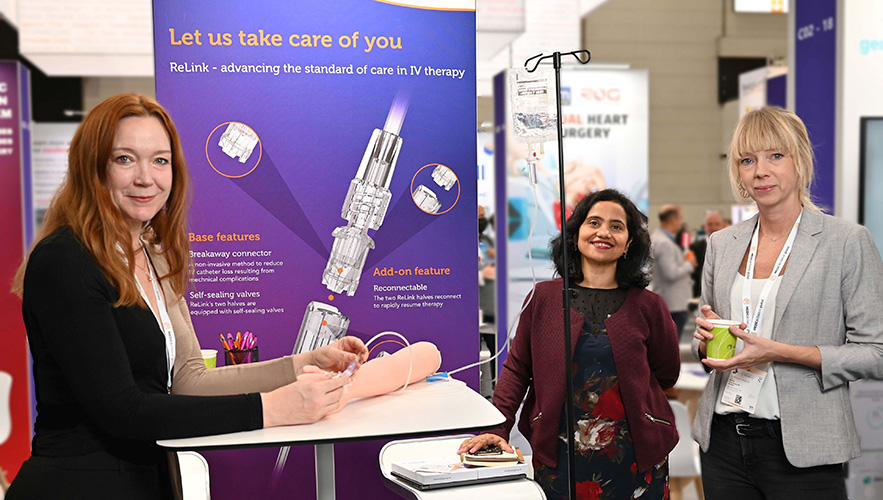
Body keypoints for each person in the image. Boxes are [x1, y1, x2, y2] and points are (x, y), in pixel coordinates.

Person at [5, 94, 370, 500]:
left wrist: (302, 366)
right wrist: (273, 409)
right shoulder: (65, 260)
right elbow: (123, 410)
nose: (146, 178)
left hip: (148, 482)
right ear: (92, 168)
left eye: (160, 161)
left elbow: (190, 380)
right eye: (124, 159)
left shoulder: (154, 256)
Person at [692, 106, 883, 500]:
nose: (760, 171)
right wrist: (705, 342)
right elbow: (712, 342)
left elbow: (875, 353)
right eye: (748, 160)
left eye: (775, 156)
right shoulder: (722, 244)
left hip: (804, 446)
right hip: (724, 443)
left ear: (801, 161)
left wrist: (778, 352)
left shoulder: (846, 242)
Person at [459, 189, 680, 500]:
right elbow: (518, 370)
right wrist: (497, 429)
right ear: (576, 235)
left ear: (629, 243)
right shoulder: (543, 298)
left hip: (636, 458)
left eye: (617, 226)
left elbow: (666, 374)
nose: (604, 232)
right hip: (560, 456)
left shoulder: (649, 306)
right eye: (594, 223)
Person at [650, 204, 698, 339]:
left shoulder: (659, 238)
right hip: (673, 303)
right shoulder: (664, 243)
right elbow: (671, 273)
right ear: (673, 220)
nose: (681, 223)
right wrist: (689, 264)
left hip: (669, 300)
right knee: (671, 342)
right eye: (680, 218)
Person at [689, 210, 726, 298]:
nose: (714, 227)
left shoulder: (730, 247)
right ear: (704, 226)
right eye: (710, 224)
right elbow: (693, 273)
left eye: (717, 224)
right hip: (701, 295)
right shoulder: (695, 247)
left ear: (722, 226)